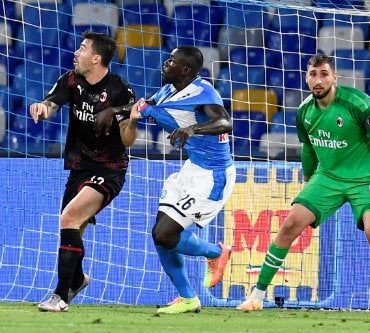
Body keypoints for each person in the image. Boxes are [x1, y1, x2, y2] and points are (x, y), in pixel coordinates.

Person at [236, 54, 370, 313]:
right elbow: (308, 149)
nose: (318, 80)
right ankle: (256, 296)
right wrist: (307, 183)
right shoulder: (305, 112)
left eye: (323, 74)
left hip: (368, 177)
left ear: (334, 77)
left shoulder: (357, 103)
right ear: (306, 78)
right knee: (289, 225)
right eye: (313, 74)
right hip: (328, 176)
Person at [95, 45, 235, 314]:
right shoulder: (168, 91)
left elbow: (226, 122)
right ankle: (188, 298)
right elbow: (143, 107)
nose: (165, 63)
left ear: (185, 69)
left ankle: (217, 254)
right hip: (190, 169)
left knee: (165, 233)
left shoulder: (203, 92)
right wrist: (114, 111)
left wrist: (193, 128)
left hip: (213, 175)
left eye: (171, 61)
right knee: (160, 236)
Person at [29, 31, 138, 312]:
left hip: (109, 168)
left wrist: (127, 119)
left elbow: (127, 141)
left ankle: (60, 296)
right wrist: (41, 108)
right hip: (79, 167)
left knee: (69, 217)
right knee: (72, 227)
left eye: (82, 48)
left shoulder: (120, 91)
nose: (76, 52)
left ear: (96, 58)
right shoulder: (70, 79)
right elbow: (50, 106)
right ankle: (77, 279)